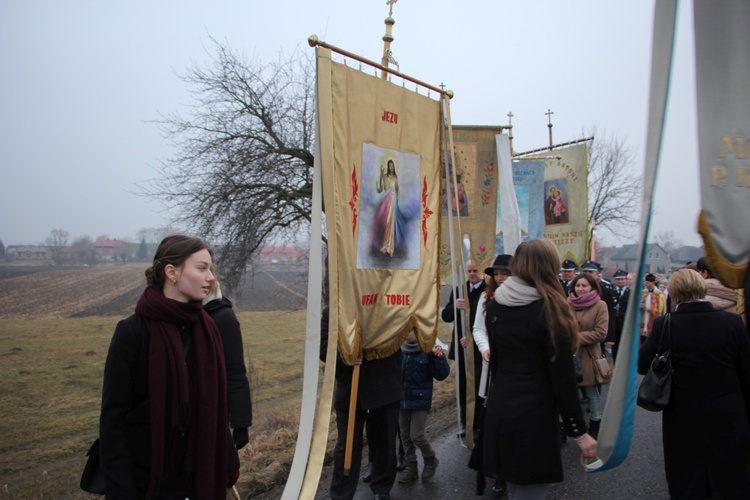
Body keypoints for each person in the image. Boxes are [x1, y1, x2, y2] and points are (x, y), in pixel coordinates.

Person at [99, 234, 240, 498]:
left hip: (199, 476)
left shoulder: (208, 329)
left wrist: (228, 459)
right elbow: (113, 421)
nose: (211, 277)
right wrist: (121, 489)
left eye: (210, 268)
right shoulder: (133, 332)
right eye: (201, 268)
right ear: (172, 272)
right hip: (147, 481)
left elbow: (216, 405)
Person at [481, 238, 596, 499]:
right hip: (533, 415)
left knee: (515, 490)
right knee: (529, 492)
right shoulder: (551, 309)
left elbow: (498, 365)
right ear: (548, 266)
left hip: (501, 408)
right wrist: (579, 432)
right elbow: (563, 380)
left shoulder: (497, 303)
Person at [638, 269, 750, 499]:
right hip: (728, 410)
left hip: (683, 412)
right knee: (728, 475)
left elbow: (641, 365)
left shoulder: (665, 324)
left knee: (687, 475)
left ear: (674, 293)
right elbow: (745, 369)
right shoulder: (732, 322)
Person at [322, 307, 403, 500]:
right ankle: (342, 493)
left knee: (385, 441)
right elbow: (324, 347)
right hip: (350, 387)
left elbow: (399, 335)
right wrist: (346, 357)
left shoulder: (387, 307)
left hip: (384, 384)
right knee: (347, 445)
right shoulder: (333, 311)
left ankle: (382, 488)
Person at [471, 253, 512, 497]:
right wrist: (485, 349)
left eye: (504, 273)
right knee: (492, 422)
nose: (499, 277)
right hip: (492, 370)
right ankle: (497, 471)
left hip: (513, 370)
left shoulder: (523, 296)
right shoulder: (487, 297)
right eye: (496, 274)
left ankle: (509, 470)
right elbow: (478, 328)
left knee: (510, 423)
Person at [203, 272, 253, 452]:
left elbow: (235, 372)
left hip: (212, 416)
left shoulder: (223, 317)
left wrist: (240, 423)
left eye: (207, 270)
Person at [397, 330, 450, 484]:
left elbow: (442, 374)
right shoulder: (398, 349)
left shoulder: (428, 349)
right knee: (405, 437)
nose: (406, 333)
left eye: (410, 330)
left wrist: (438, 357)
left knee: (417, 436)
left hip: (420, 400)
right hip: (401, 400)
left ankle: (430, 459)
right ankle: (411, 468)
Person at [441, 261, 487, 436]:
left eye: (475, 270)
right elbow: (445, 316)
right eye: (470, 271)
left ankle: (479, 423)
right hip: (461, 348)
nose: (473, 274)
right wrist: (455, 306)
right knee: (462, 387)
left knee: (477, 387)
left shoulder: (486, 291)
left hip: (478, 349)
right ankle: (465, 423)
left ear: (481, 272)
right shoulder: (460, 290)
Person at [566, 273, 609, 439]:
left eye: (584, 285)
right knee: (568, 392)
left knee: (592, 392)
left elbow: (600, 333)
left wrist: (574, 337)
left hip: (589, 355)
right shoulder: (567, 304)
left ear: (592, 287)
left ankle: (595, 423)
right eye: (577, 285)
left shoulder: (600, 305)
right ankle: (566, 426)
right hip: (569, 355)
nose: (580, 289)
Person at [372, 159, 406, 258]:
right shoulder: (386, 177)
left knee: (392, 224)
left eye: (392, 166)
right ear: (388, 166)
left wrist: (397, 189)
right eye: (390, 166)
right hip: (387, 201)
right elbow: (380, 189)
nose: (391, 167)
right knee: (386, 223)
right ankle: (385, 246)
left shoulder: (396, 177)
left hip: (393, 202)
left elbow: (397, 190)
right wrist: (381, 175)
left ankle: (391, 248)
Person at [640, 273, 667, 343]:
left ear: (653, 283)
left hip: (652, 319)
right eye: (645, 283)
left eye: (647, 283)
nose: (646, 284)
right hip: (643, 317)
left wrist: (652, 310)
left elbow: (661, 309)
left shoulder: (660, 295)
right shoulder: (644, 293)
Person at [610, 269, 630, 361]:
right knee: (615, 344)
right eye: (618, 279)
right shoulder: (611, 292)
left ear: (626, 280)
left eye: (622, 279)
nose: (620, 281)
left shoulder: (630, 293)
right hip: (614, 321)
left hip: (625, 321)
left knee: (625, 344)